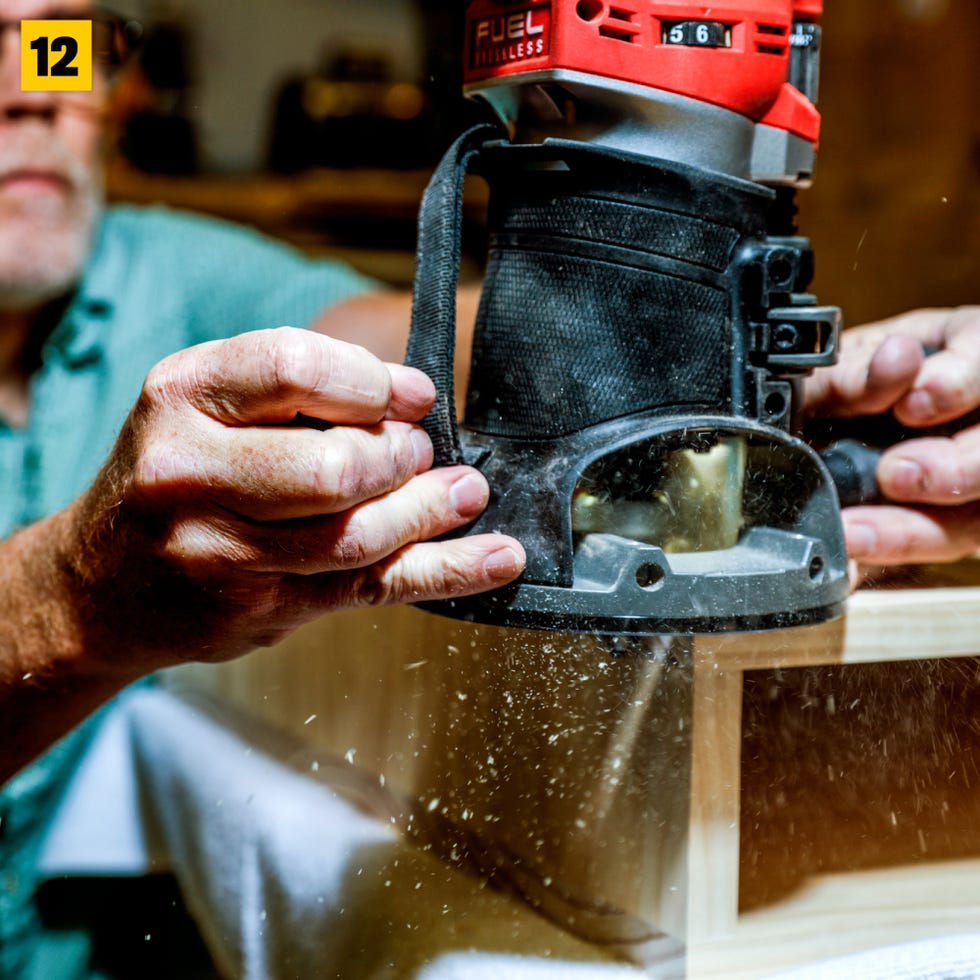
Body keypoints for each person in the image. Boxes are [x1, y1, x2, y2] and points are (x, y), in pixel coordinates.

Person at [0, 0, 977, 975]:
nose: (24, 98)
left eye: (58, 48)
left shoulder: (162, 272)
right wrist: (70, 596)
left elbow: (451, 332)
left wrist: (862, 380)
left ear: (111, 87)